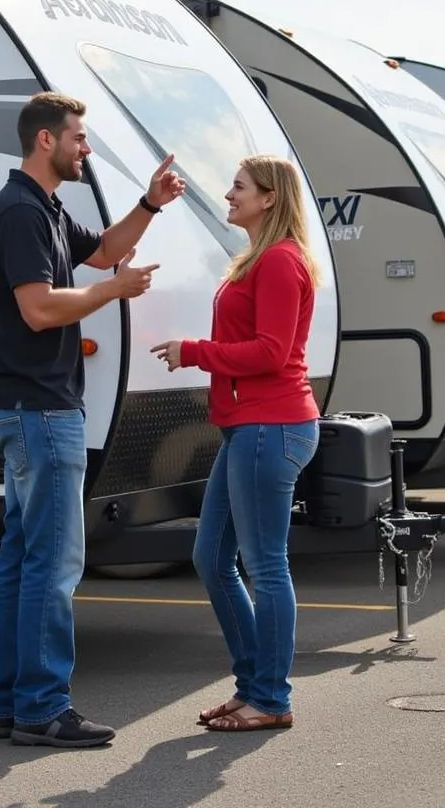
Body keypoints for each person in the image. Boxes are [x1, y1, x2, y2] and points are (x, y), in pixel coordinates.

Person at [0, 91, 185, 749]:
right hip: (39, 411)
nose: (86, 149)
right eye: (79, 138)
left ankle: (9, 706)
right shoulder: (18, 213)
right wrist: (111, 294)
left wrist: (150, 205)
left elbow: (103, 254)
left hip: (25, 409)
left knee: (23, 559)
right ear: (46, 141)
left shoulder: (43, 208)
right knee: (52, 564)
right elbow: (39, 309)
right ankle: (42, 708)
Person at [150, 154, 321, 733]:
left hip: (270, 427)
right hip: (249, 429)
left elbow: (272, 352)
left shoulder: (278, 261)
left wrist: (194, 350)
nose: (228, 194)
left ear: (269, 198)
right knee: (210, 557)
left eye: (240, 187)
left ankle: (270, 698)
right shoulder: (259, 259)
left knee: (265, 567)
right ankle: (254, 686)